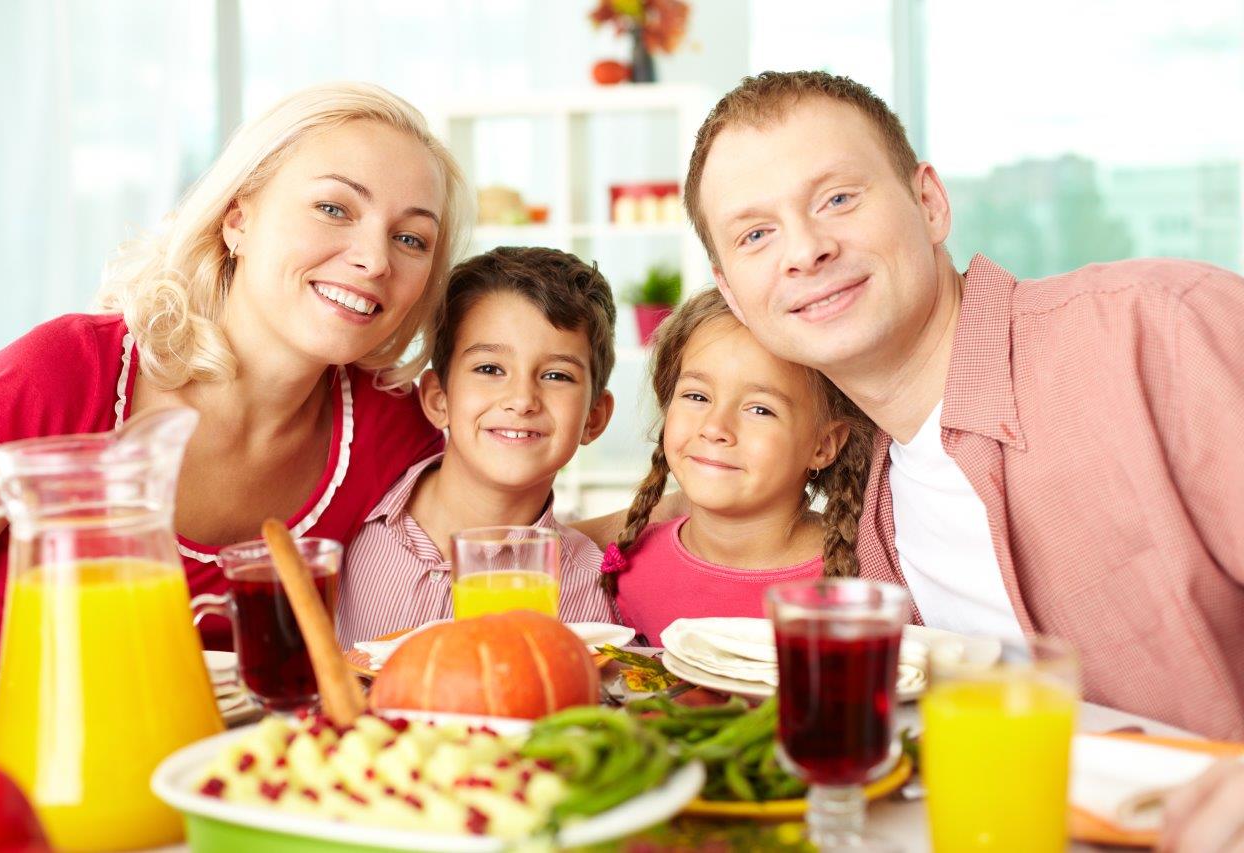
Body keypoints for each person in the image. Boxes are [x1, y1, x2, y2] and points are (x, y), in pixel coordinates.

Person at [683, 70, 1244, 740]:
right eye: (755, 235)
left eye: (836, 198)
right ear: (734, 295)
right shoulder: (872, 515)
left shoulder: (1160, 331)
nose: (806, 249)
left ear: (929, 204)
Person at [0, 82, 470, 682]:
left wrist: (617, 534)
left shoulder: (395, 429)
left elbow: (515, 535)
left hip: (222, 768)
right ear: (238, 219)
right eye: (334, 208)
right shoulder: (65, 374)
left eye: (410, 238)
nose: (375, 259)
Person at [335, 246, 618, 645]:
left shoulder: (593, 592)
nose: (522, 400)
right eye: (490, 369)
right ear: (439, 399)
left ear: (594, 417)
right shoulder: (352, 517)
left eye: (556, 375)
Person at [599, 288, 874, 645]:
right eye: (697, 396)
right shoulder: (627, 568)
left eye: (760, 409)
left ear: (823, 446)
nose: (715, 428)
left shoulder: (864, 574)